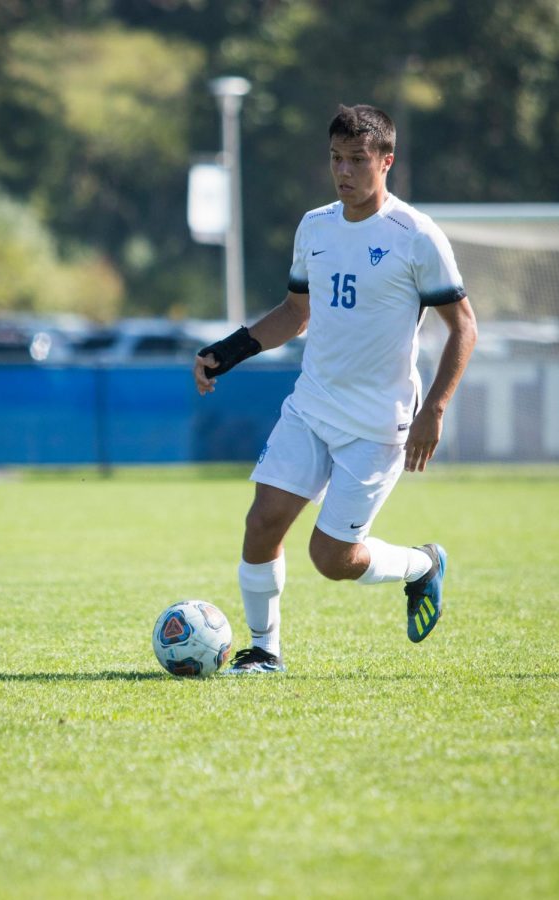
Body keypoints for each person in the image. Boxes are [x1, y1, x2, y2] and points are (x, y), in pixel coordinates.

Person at [193, 103, 477, 673]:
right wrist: (227, 352)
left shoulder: (415, 235)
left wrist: (436, 409)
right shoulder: (315, 226)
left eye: (357, 160)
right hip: (312, 405)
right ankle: (264, 651)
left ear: (386, 162)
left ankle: (421, 566)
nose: (343, 171)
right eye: (335, 159)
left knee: (332, 558)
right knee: (262, 521)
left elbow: (464, 326)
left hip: (378, 424)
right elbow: (295, 312)